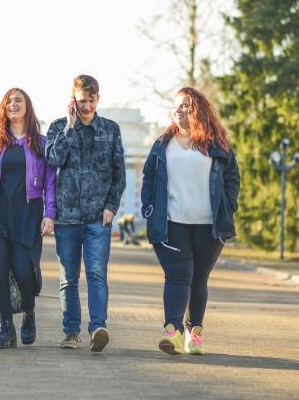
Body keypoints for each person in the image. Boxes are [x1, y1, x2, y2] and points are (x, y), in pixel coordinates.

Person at [141, 86, 240, 356]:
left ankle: (194, 336)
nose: (179, 110)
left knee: (199, 280)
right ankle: (172, 333)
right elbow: (149, 177)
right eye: (176, 105)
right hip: (171, 222)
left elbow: (232, 177)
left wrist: (229, 206)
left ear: (198, 109)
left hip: (209, 225)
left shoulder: (216, 143)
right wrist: (149, 208)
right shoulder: (162, 144)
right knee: (178, 275)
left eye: (185, 105)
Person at [46, 74, 126, 352]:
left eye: (91, 100)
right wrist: (70, 128)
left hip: (97, 218)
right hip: (66, 218)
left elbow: (119, 173)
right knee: (68, 279)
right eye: (82, 101)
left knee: (96, 274)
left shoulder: (111, 130)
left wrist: (111, 207)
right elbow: (53, 159)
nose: (87, 106)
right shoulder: (58, 127)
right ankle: (71, 333)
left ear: (98, 99)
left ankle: (97, 328)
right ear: (73, 100)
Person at [0, 88, 56, 349]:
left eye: (18, 100)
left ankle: (29, 312)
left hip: (28, 213)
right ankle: (6, 326)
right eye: (8, 101)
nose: (13, 104)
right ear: (4, 109)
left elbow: (50, 182)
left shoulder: (40, 143)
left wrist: (50, 213)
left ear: (27, 107)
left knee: (23, 269)